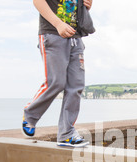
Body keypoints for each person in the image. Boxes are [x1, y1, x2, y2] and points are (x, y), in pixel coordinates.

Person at [22, 0, 93, 147]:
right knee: (56, 81)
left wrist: (87, 5)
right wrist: (58, 23)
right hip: (52, 33)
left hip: (76, 37)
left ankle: (67, 134)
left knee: (76, 85)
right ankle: (30, 115)